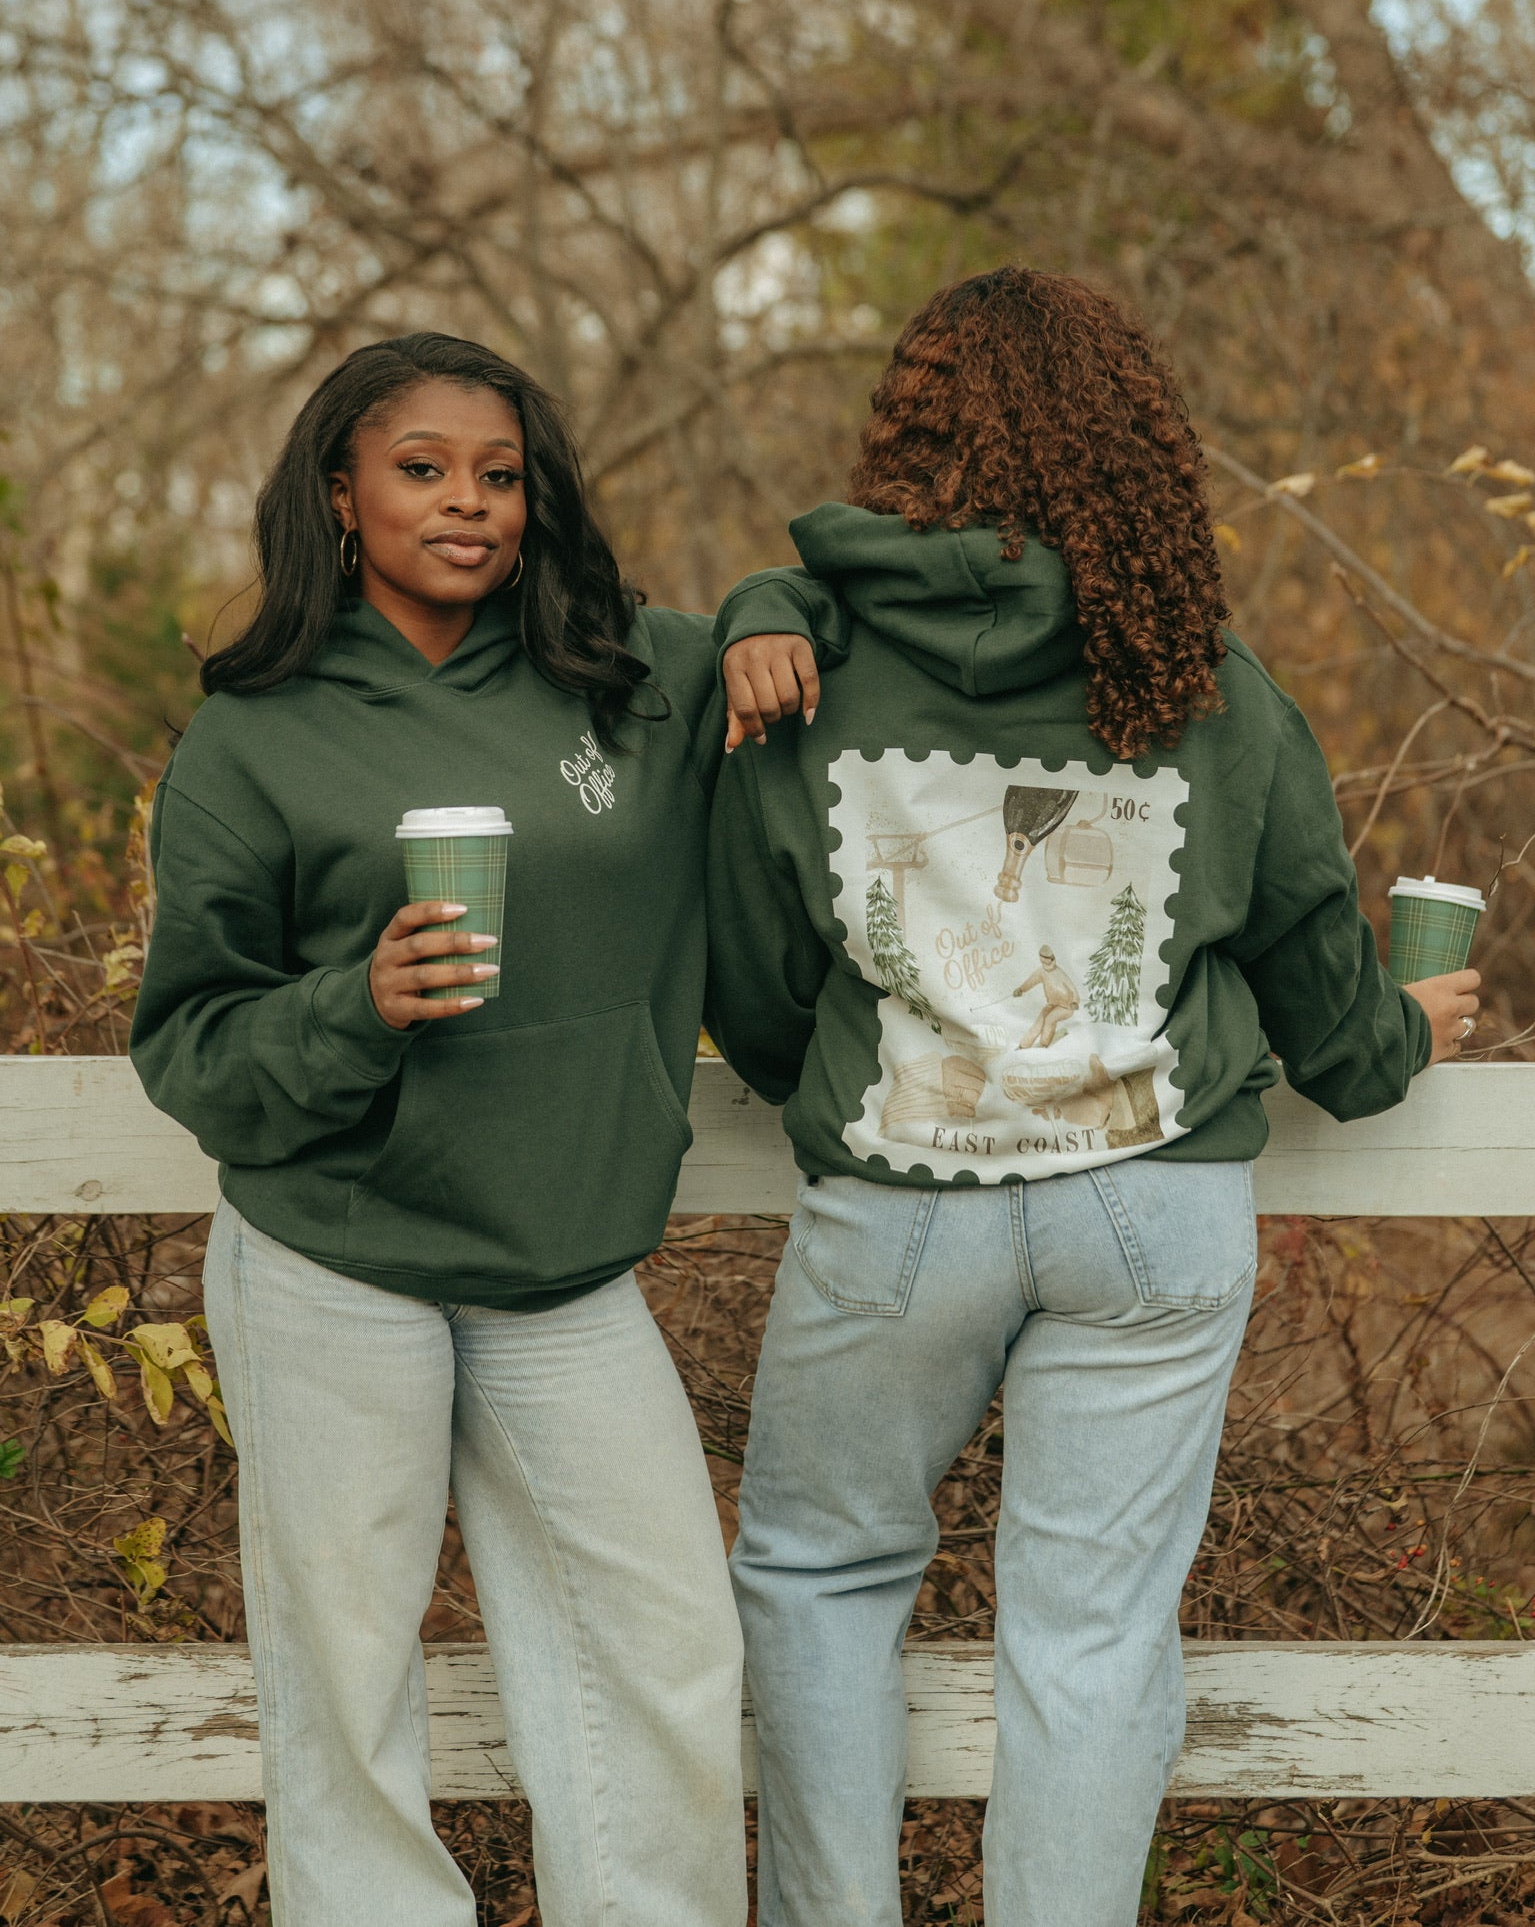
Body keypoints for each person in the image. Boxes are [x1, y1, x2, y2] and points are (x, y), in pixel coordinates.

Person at [704, 266, 1480, 1927]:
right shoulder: (1201, 679)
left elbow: (756, 985)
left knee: (823, 1574)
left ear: (908, 438)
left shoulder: (802, 675)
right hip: (1154, 1206)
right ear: (1134, 450)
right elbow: (1329, 1016)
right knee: (1096, 1628)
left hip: (899, 1200)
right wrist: (1404, 1031)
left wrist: (841, 1075)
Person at [129, 331, 833, 1927]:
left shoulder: (625, 675)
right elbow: (191, 1047)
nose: (469, 503)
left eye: (500, 475)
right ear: (340, 494)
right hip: (334, 1261)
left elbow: (794, 606)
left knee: (666, 1647)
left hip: (564, 1271)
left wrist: (770, 618)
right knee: (348, 1682)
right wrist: (356, 1002)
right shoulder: (255, 737)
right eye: (423, 469)